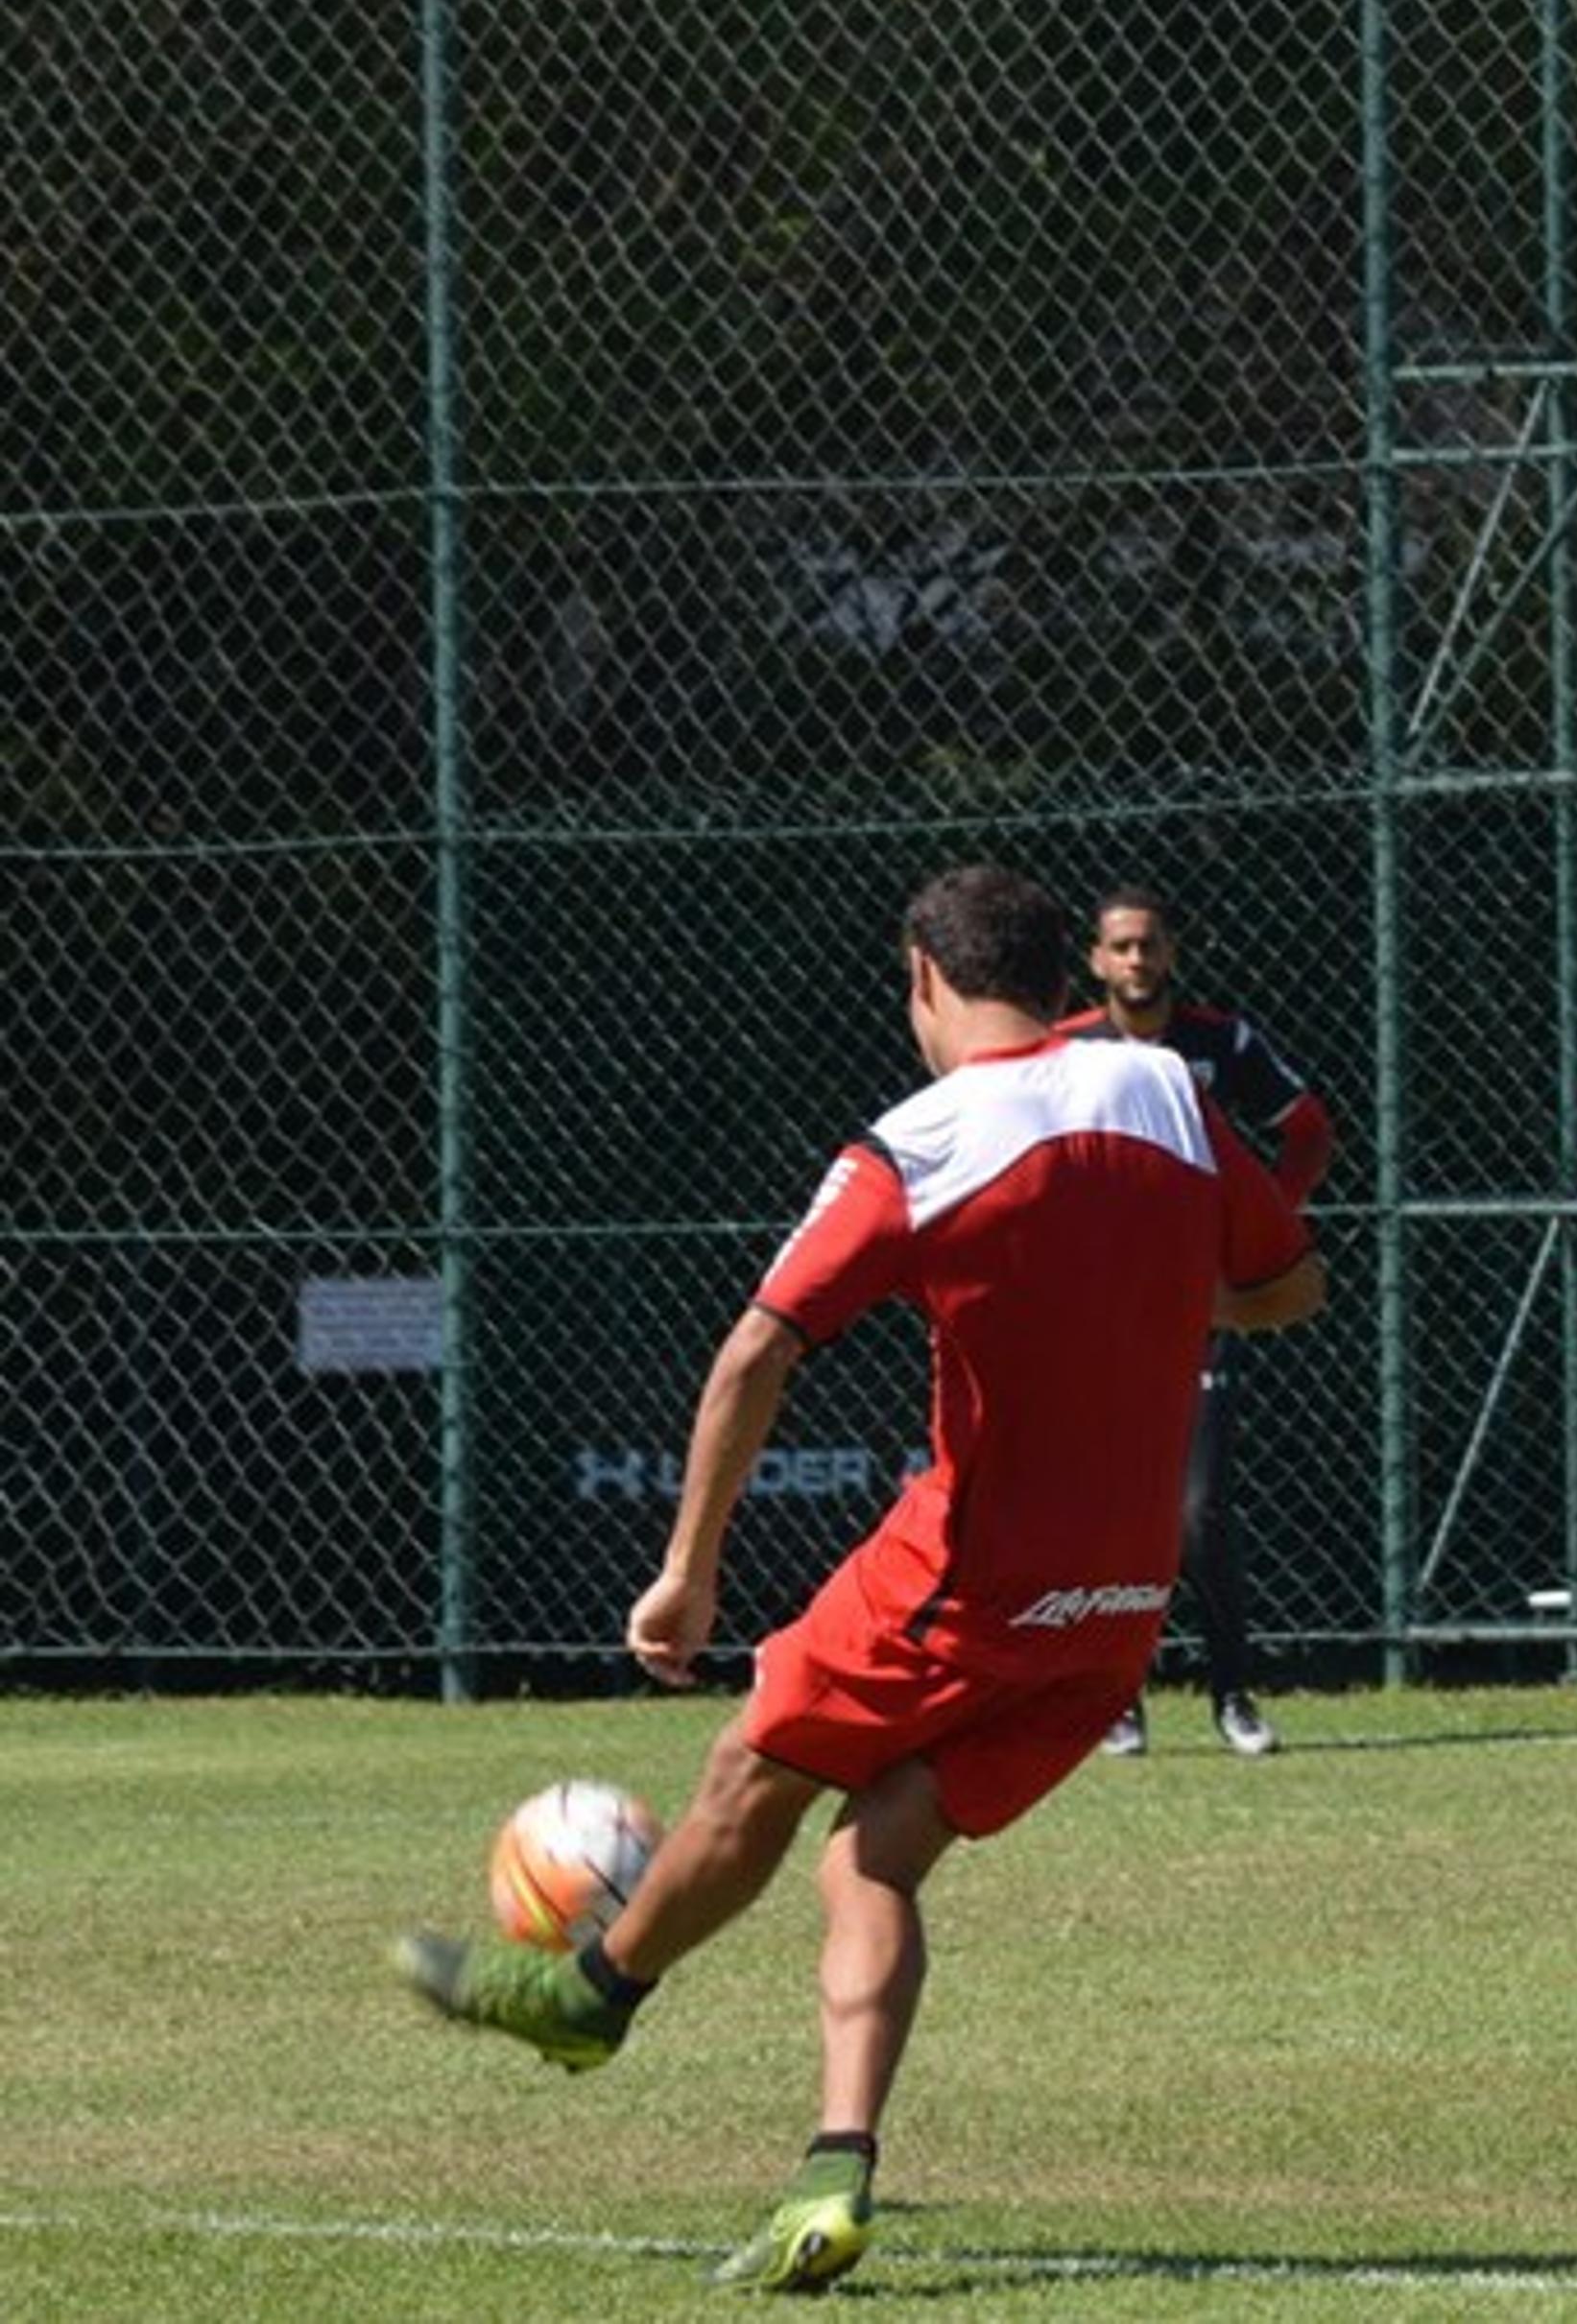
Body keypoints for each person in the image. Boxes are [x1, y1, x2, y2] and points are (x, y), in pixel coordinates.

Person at [394, 865, 1322, 2291]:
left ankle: (589, 1996)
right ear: (1062, 977)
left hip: (972, 1570)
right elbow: (1290, 1283)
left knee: (752, 1765)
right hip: (1120, 1606)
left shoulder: (919, 1146)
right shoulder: (1166, 1094)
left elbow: (757, 1350)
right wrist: (1140, 1293)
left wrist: (685, 1575)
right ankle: (834, 2176)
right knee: (873, 1850)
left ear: (925, 982)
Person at [1059, 884, 1335, 1761]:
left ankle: (1233, 1696)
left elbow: (1307, 1129)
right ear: (1096, 961)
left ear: (1170, 951)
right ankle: (1117, 1700)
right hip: (1098, 1312)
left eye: (1150, 945)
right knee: (1107, 1506)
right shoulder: (1062, 1050)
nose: (1137, 961)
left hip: (1197, 1307)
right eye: (1121, 948)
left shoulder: (1219, 1043)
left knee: (1198, 1507)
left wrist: (1260, 1231)